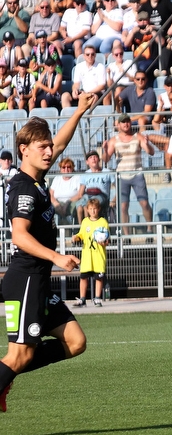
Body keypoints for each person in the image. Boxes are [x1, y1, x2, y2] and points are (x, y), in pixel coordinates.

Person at [0, 92, 97, 413]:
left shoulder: (38, 178)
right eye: (41, 146)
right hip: (25, 279)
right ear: (23, 150)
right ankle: (5, 373)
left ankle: (6, 373)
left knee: (76, 342)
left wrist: (80, 111)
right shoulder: (24, 187)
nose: (49, 150)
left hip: (38, 283)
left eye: (49, 145)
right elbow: (20, 236)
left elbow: (61, 143)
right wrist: (56, 258)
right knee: (20, 355)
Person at [102, 113, 154, 234]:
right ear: (119, 125)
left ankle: (150, 229)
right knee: (123, 207)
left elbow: (151, 152)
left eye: (127, 121)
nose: (126, 124)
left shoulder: (138, 136)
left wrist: (147, 144)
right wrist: (104, 150)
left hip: (137, 174)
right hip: (122, 176)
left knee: (144, 203)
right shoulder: (114, 140)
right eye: (123, 122)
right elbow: (105, 159)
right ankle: (126, 235)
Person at [71, 197, 109, 307]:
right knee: (83, 277)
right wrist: (76, 237)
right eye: (91, 209)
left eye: (95, 209)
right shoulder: (85, 222)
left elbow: (107, 239)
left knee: (99, 277)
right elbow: (81, 234)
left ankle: (97, 298)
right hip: (87, 256)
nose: (93, 211)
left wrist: (104, 242)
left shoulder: (103, 222)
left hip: (98, 256)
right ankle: (82, 299)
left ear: (99, 209)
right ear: (87, 210)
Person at [49, 156, 85, 225]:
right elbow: (51, 194)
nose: (66, 169)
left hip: (72, 202)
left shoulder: (77, 178)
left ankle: (73, 228)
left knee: (77, 207)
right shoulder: (57, 179)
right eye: (63, 167)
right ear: (60, 169)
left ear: (72, 168)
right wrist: (57, 204)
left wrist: (67, 203)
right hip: (58, 203)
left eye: (69, 167)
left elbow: (80, 194)